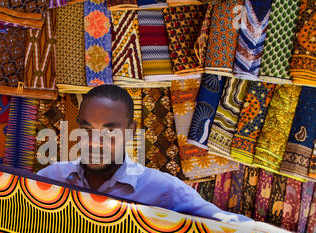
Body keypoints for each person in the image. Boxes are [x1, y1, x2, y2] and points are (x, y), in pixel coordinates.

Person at [37, 85, 251, 223]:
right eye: (87, 130)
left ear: (131, 131)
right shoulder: (51, 178)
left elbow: (231, 228)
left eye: (110, 131)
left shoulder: (164, 191)